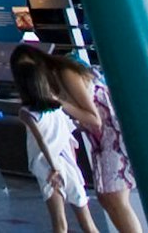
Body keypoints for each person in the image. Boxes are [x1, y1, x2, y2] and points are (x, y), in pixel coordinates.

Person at [56, 55, 141, 233]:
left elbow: (94, 119)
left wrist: (60, 103)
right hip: (101, 141)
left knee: (115, 198)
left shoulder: (66, 73)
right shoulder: (67, 75)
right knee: (106, 198)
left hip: (111, 138)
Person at [26, 68, 89, 233]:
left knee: (59, 224)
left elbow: (41, 141)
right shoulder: (57, 108)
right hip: (67, 164)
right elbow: (69, 137)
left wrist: (54, 167)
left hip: (47, 167)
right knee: (87, 222)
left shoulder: (27, 112)